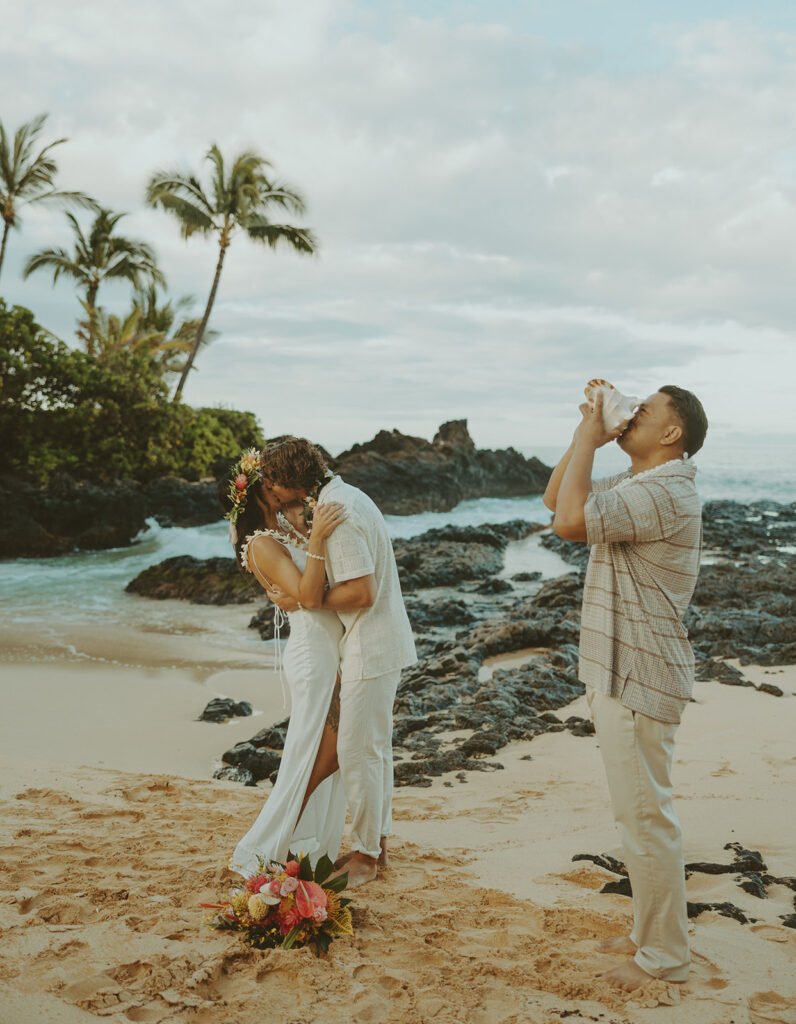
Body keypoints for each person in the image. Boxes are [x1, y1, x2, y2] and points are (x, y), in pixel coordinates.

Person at [544, 385, 708, 993]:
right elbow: (555, 497)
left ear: (672, 433)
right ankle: (649, 935)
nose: (632, 414)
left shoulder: (664, 489)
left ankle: (665, 957)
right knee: (635, 814)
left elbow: (567, 523)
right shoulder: (641, 485)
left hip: (638, 672)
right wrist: (588, 428)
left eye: (645, 412)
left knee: (645, 819)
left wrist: (593, 437)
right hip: (620, 665)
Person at [261, 437, 417, 888]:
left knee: (356, 751)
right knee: (374, 747)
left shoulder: (338, 512)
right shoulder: (339, 498)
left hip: (371, 643)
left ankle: (366, 855)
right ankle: (378, 843)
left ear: (288, 480)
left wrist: (306, 599)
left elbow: (362, 591)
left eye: (271, 483)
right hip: (378, 640)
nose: (269, 493)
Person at [218, 449, 349, 875]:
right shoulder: (261, 544)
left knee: (327, 749)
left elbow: (308, 591)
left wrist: (300, 588)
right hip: (313, 654)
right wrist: (309, 563)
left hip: (330, 647)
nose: (277, 487)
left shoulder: (285, 534)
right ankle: (274, 844)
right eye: (269, 482)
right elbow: (308, 594)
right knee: (320, 751)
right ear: (258, 491)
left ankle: (302, 848)